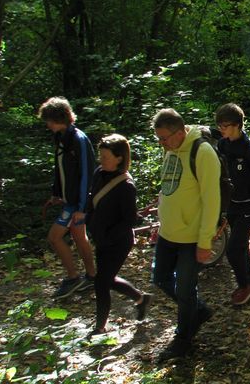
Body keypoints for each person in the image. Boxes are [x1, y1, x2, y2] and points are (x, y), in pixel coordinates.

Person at [151, 108, 220, 360]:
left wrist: (204, 241)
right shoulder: (170, 150)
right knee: (160, 278)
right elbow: (169, 189)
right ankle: (198, 312)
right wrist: (161, 222)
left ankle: (183, 340)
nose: (162, 144)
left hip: (191, 238)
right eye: (158, 139)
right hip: (168, 233)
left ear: (180, 132)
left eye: (165, 138)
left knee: (185, 290)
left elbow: (212, 200)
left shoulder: (202, 152)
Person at [75, 134, 152, 335]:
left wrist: (108, 235)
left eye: (106, 156)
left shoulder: (126, 186)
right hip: (101, 238)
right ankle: (141, 298)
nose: (102, 160)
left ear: (119, 158)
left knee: (101, 283)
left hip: (118, 242)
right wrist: (90, 222)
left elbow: (128, 220)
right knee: (106, 279)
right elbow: (92, 199)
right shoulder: (99, 173)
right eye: (101, 156)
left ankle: (100, 327)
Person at [38, 97, 96, 299]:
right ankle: (92, 276)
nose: (47, 124)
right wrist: (56, 194)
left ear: (57, 118)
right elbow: (61, 170)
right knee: (80, 237)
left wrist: (82, 207)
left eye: (48, 120)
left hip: (76, 203)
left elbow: (87, 175)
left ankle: (73, 277)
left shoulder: (78, 139)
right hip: (69, 200)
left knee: (54, 237)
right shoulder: (62, 138)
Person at [215, 103, 250, 306]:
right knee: (241, 245)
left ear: (237, 125)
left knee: (233, 249)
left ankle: (244, 285)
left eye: (225, 125)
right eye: (219, 126)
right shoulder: (224, 145)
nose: (222, 129)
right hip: (233, 204)